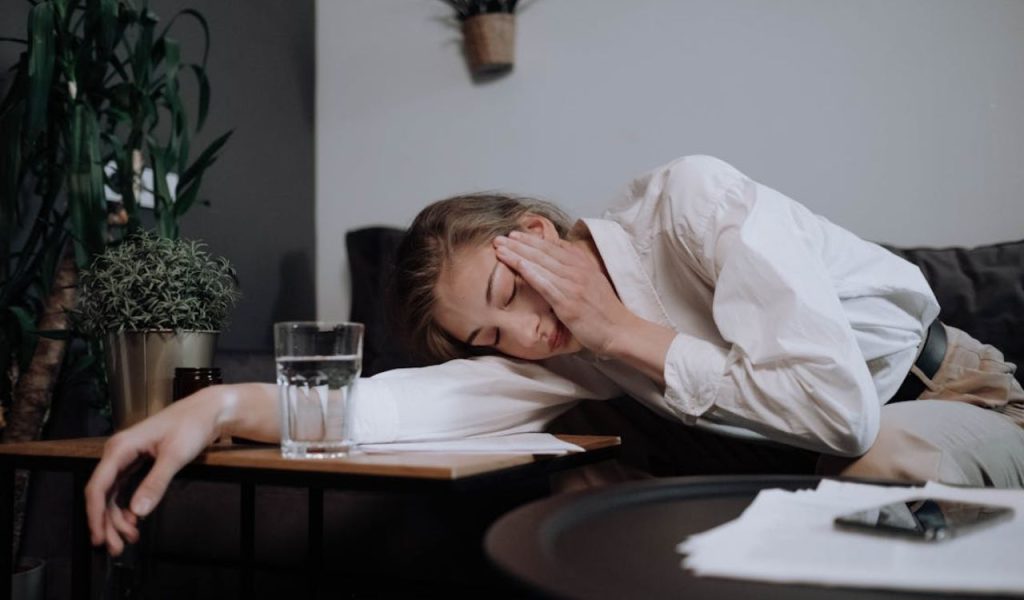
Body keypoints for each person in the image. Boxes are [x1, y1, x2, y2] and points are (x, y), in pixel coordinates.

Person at [85, 155, 1024, 556]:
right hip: (777, 460)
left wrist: (623, 334)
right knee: (572, 493)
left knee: (873, 458)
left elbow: (841, 410)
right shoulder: (550, 354)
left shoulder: (692, 205)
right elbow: (397, 407)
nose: (528, 338)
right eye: (493, 337)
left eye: (510, 296)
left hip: (955, 395)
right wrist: (211, 407)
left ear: (535, 234)